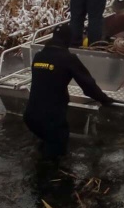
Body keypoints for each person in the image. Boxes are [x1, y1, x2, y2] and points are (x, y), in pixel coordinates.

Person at [24, 25, 114, 159]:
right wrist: (105, 99)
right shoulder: (68, 58)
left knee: (44, 148)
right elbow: (88, 86)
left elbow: (47, 81)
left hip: (30, 117)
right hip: (52, 121)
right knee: (55, 161)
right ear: (68, 40)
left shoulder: (38, 56)